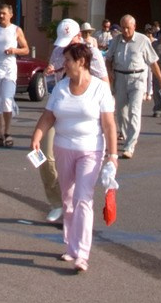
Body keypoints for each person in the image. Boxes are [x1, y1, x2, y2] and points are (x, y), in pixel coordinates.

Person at [29, 40, 118, 274]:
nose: (64, 64)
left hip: (91, 150)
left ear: (81, 62)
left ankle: (82, 254)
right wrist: (37, 136)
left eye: (68, 60)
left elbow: (109, 124)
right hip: (63, 147)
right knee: (68, 199)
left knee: (83, 198)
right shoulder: (61, 88)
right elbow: (49, 116)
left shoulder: (100, 88)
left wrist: (113, 155)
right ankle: (70, 245)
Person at [37, 19, 109, 224]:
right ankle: (57, 202)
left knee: (80, 167)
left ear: (79, 36)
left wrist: (105, 119)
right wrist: (50, 71)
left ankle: (75, 209)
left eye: (70, 40)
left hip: (85, 114)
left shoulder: (92, 54)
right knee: (44, 155)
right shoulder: (58, 51)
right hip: (60, 108)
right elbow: (53, 80)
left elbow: (105, 83)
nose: (67, 45)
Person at [104, 14, 161, 159]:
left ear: (134, 27)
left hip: (137, 78)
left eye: (128, 28)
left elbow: (153, 62)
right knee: (121, 112)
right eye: (123, 28)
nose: (125, 31)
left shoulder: (143, 40)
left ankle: (129, 146)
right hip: (120, 78)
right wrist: (109, 72)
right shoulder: (116, 41)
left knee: (134, 111)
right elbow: (108, 59)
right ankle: (127, 137)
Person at [0, 3, 30, 147]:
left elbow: (26, 49)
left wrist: (14, 50)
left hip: (9, 70)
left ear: (11, 15)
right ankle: (0, 136)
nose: (1, 16)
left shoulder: (16, 30)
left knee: (6, 99)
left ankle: (8, 133)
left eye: (4, 13)